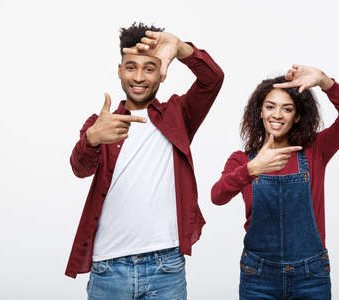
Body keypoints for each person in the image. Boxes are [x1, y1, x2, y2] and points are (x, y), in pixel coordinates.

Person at [65, 22, 224, 300]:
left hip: (166, 267)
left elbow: (212, 80)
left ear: (161, 73)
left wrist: (180, 48)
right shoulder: (100, 124)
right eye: (131, 67)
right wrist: (91, 138)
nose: (139, 77)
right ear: (119, 70)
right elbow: (80, 168)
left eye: (149, 68)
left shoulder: (179, 115)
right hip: (108, 269)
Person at [211, 65, 339, 299]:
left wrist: (325, 82)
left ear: (298, 116)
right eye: (270, 107)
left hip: (310, 275)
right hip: (258, 276)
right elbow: (217, 196)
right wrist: (252, 169)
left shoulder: (316, 151)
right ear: (260, 112)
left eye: (287, 108)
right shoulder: (242, 160)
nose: (277, 114)